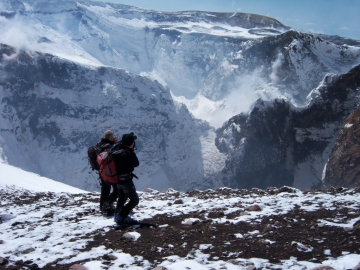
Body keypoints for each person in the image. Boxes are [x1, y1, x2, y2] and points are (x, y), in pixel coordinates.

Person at [113, 132, 140, 225]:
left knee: (122, 198)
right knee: (134, 200)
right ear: (130, 143)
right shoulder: (126, 154)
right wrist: (131, 150)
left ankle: (117, 215)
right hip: (126, 180)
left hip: (117, 180)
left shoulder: (117, 148)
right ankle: (121, 216)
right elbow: (136, 163)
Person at [96, 130, 119, 215]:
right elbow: (114, 154)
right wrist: (115, 143)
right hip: (110, 173)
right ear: (111, 138)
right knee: (117, 190)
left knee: (105, 190)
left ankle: (103, 207)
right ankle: (108, 204)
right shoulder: (109, 147)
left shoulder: (99, 145)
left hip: (101, 172)